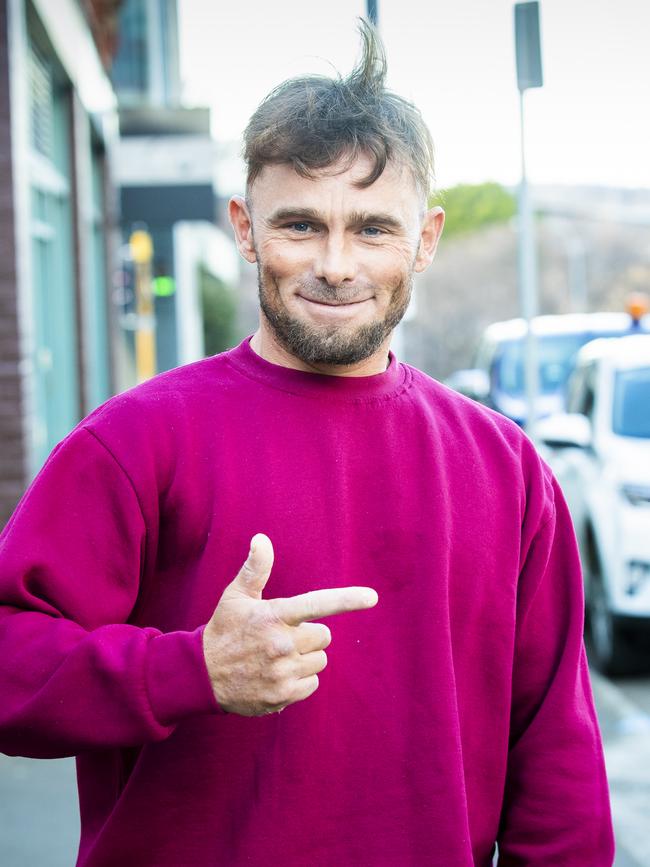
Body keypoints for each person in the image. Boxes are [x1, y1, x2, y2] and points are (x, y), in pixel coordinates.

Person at [0, 21, 614, 867]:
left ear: (425, 240)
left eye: (371, 228)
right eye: (299, 225)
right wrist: (190, 671)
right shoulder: (135, 441)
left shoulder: (507, 469)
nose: (335, 263)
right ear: (245, 230)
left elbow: (559, 768)